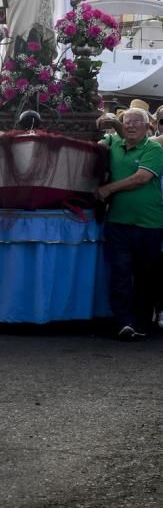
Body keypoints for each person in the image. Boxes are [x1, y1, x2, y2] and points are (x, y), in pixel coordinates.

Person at [96, 108, 163, 340]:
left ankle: (143, 322)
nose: (131, 125)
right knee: (120, 273)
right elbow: (97, 150)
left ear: (148, 127)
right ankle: (123, 322)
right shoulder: (113, 142)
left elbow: (140, 179)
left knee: (146, 275)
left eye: (137, 122)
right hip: (118, 222)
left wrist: (107, 189)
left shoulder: (154, 148)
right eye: (127, 122)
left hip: (150, 224)